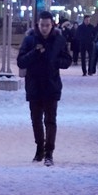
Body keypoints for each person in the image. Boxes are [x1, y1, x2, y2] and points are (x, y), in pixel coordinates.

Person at [17, 10, 72, 166]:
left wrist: (54, 62)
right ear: (38, 24)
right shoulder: (29, 40)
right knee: (36, 120)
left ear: (52, 25)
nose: (44, 28)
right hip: (34, 86)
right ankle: (39, 148)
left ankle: (49, 152)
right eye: (42, 25)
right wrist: (34, 53)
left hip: (51, 85)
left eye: (47, 25)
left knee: (50, 120)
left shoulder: (59, 40)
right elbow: (21, 62)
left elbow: (67, 60)